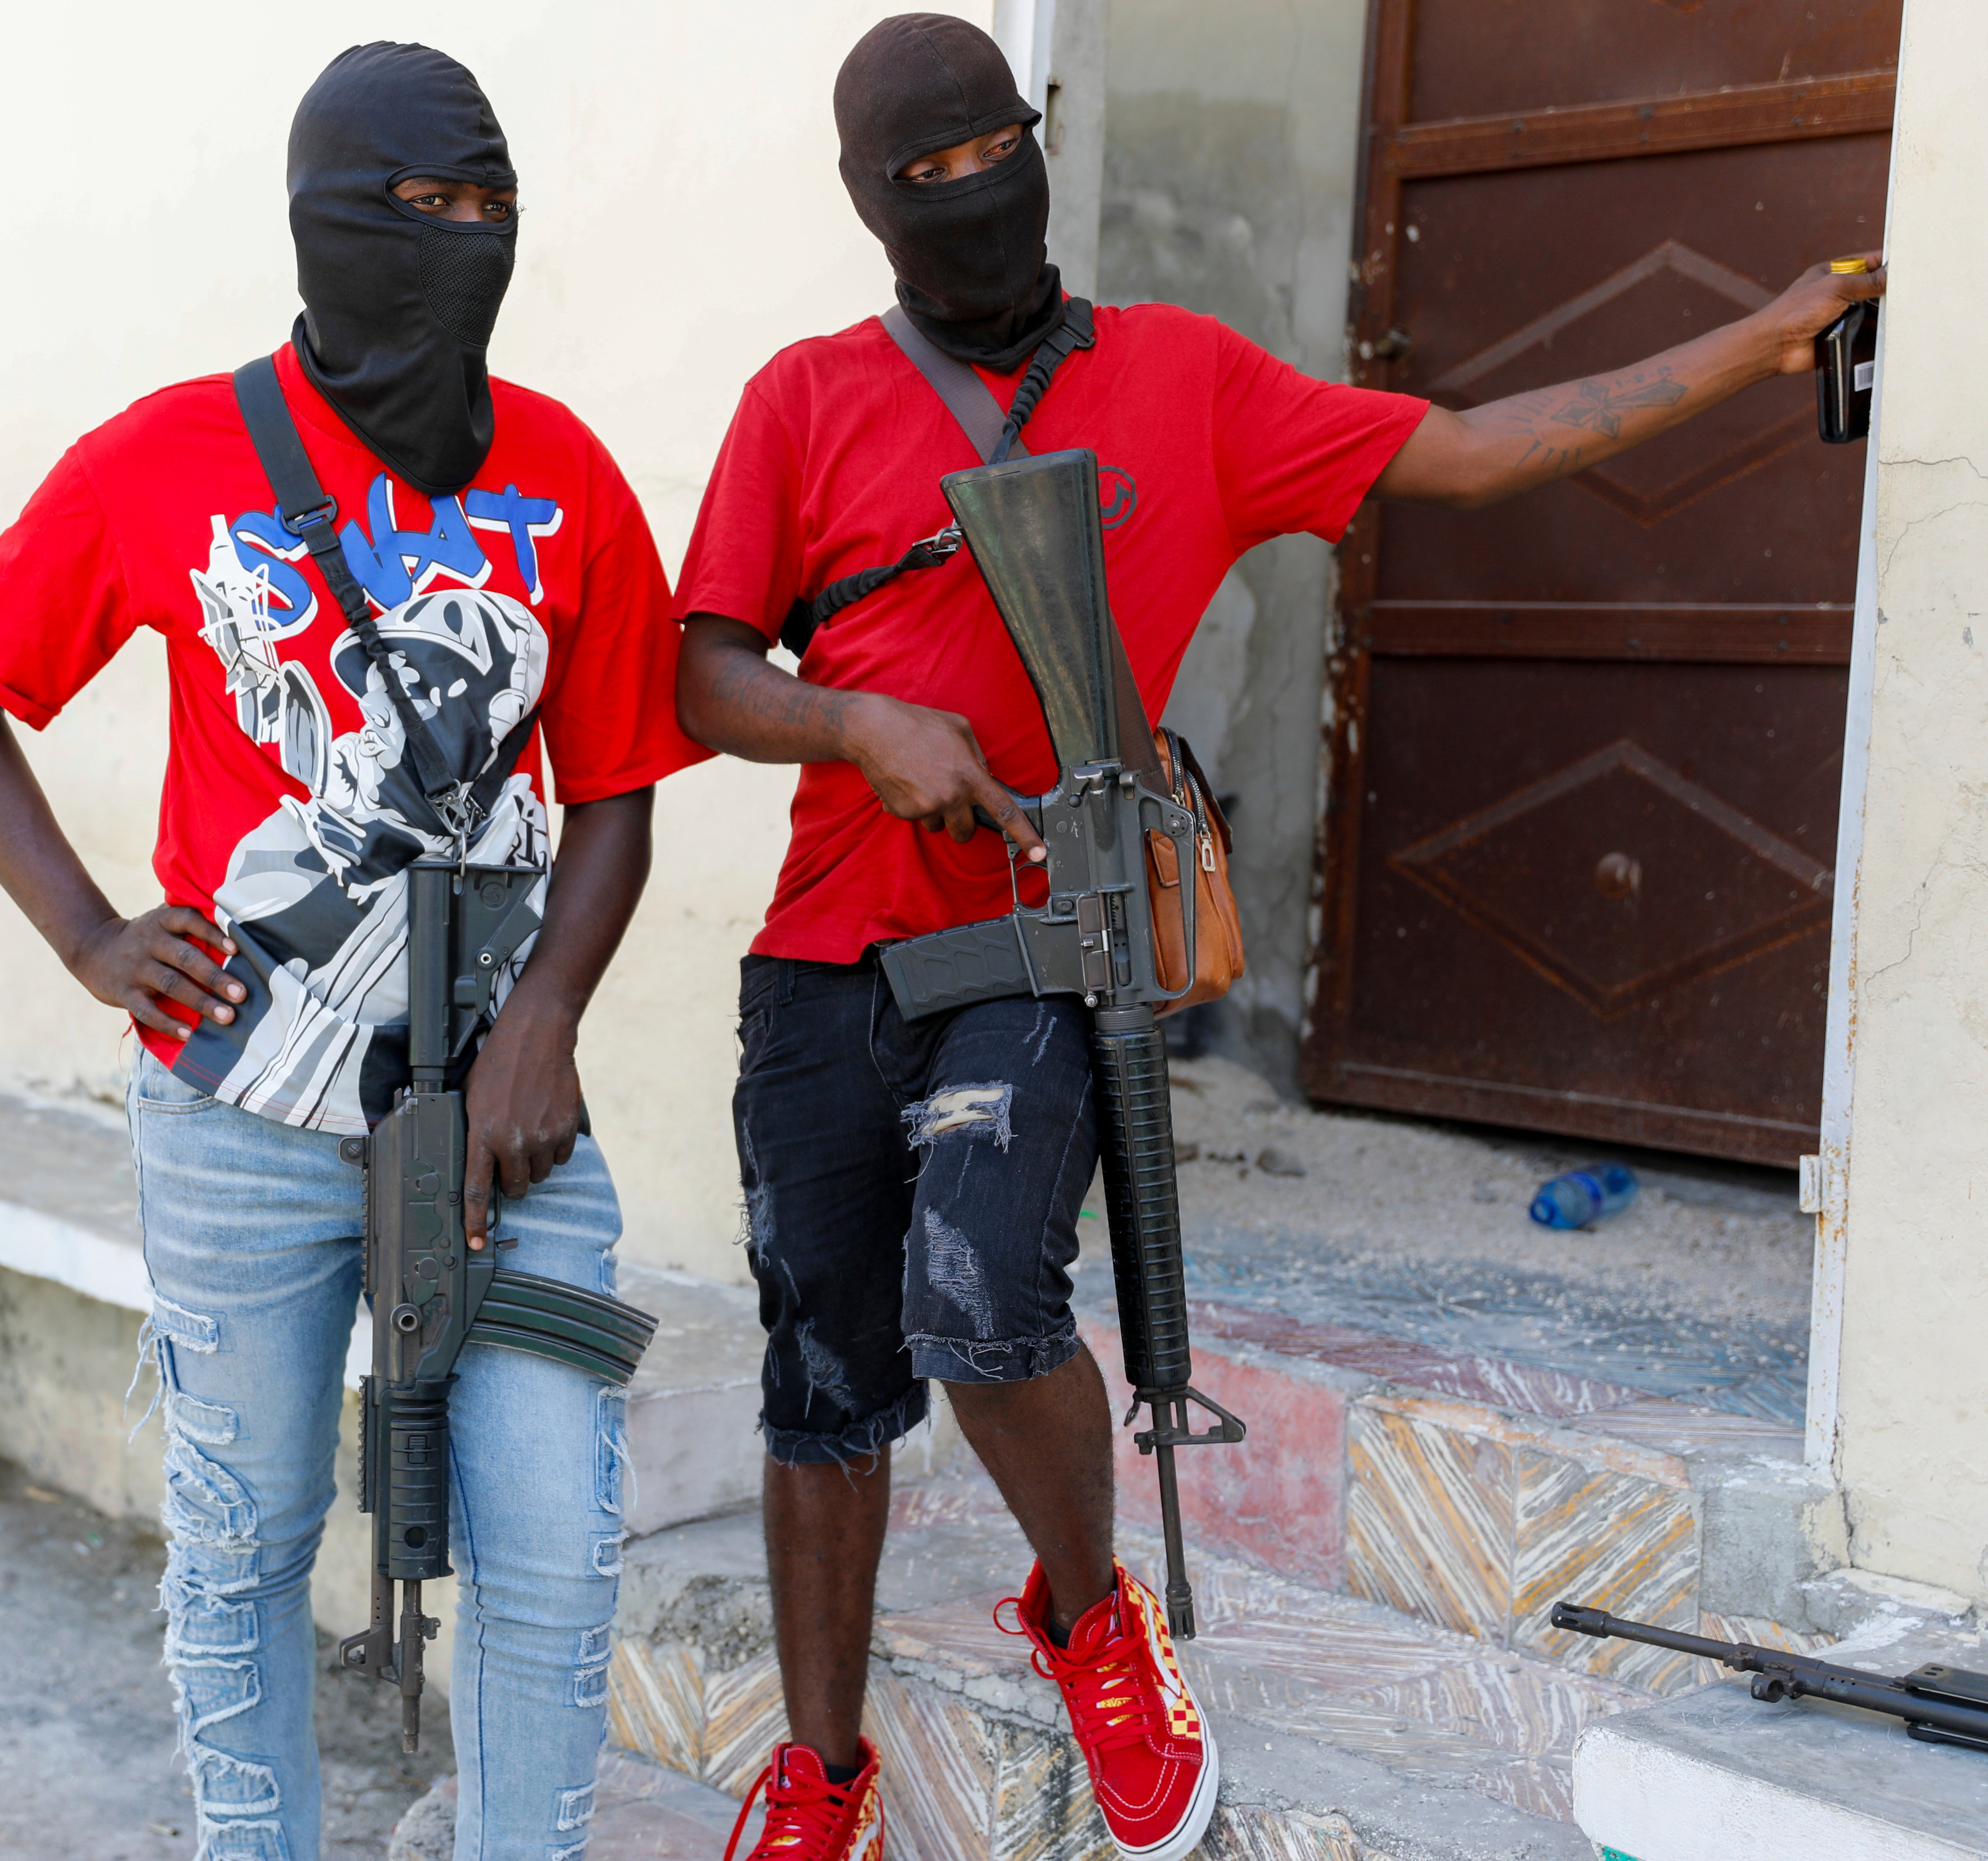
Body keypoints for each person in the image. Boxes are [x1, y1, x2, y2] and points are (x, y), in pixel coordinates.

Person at [670, 16, 1886, 1861]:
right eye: (920, 177)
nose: (969, 195)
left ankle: (1086, 1611)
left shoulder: (1189, 381)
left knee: (983, 1294)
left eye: (993, 148)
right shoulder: (804, 397)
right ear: (866, 203)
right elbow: (704, 670)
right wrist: (855, 724)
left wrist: (1752, 337)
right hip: (832, 954)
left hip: (1051, 933)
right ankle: (821, 1769)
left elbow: (1472, 448)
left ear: (1042, 139)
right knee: (823, 1375)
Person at [0, 43, 699, 1860]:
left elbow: (622, 788)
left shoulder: (570, 472)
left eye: (491, 208)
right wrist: (90, 932)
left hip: (513, 1123)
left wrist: (548, 1019)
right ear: (326, 224)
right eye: (419, 209)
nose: (464, 242)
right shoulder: (170, 455)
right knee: (249, 1533)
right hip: (240, 1118)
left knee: (557, 1543)